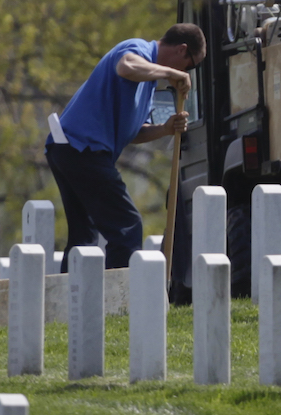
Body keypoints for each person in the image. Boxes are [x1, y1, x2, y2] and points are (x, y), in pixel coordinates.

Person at [46, 24, 205, 270]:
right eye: (191, 66)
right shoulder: (138, 49)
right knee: (127, 227)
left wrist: (165, 128)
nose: (188, 74)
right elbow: (126, 66)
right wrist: (169, 74)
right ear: (182, 50)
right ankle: (119, 303)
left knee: (84, 236)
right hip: (82, 149)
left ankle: (70, 303)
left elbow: (134, 132)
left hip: (72, 151)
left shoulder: (149, 84)